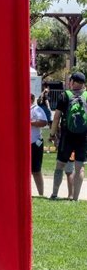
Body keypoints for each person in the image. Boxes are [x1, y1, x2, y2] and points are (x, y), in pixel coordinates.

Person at [49, 72, 87, 200]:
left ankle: (54, 194)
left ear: (73, 82)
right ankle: (75, 198)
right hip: (83, 136)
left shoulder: (65, 95)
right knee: (80, 166)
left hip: (67, 135)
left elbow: (56, 118)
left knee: (60, 164)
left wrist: (52, 134)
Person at [30, 93, 48, 196]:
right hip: (24, 145)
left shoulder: (36, 109)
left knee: (36, 170)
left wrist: (31, 122)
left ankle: (41, 194)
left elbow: (44, 122)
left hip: (35, 143)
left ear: (31, 99)